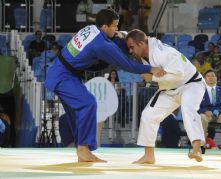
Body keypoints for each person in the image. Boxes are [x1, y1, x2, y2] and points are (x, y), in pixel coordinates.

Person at [45, 9, 165, 163]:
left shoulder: (91, 29)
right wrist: (149, 68)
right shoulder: (101, 44)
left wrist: (121, 35)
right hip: (63, 76)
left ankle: (82, 149)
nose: (116, 29)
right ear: (104, 27)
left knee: (77, 112)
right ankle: (83, 149)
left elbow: (115, 37)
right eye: (114, 26)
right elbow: (126, 65)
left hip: (63, 71)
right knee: (87, 103)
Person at [126, 29, 206, 163]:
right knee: (148, 115)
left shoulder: (162, 53)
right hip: (169, 88)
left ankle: (197, 149)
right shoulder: (145, 52)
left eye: (132, 47)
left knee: (187, 109)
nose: (130, 51)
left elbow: (178, 74)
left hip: (191, 84)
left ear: (141, 44)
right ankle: (149, 155)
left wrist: (152, 78)